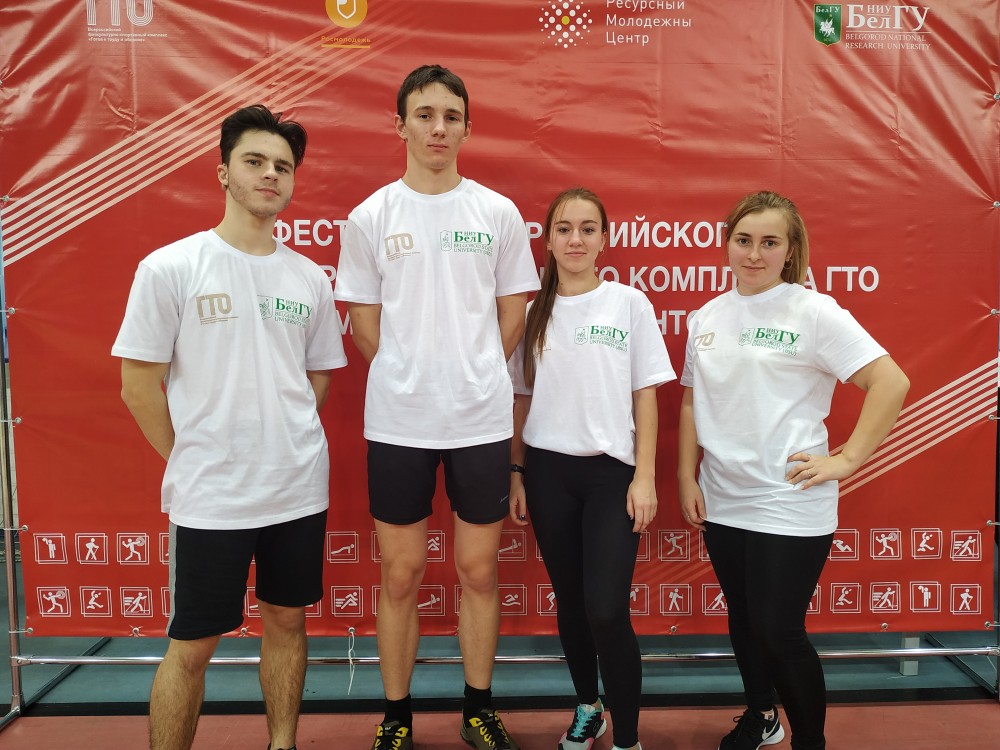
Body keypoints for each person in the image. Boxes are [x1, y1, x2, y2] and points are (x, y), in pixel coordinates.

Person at [112, 104, 347, 750]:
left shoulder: (308, 278)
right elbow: (138, 386)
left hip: (296, 489)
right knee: (191, 644)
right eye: (255, 161)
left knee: (287, 623)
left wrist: (282, 435)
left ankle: (282, 744)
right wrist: (193, 454)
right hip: (211, 496)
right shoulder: (172, 268)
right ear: (223, 172)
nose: (270, 174)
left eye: (282, 166)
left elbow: (319, 377)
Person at [333, 64, 541, 750]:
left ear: (467, 128)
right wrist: (411, 376)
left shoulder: (496, 213)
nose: (438, 128)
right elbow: (365, 328)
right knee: (401, 575)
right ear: (401, 125)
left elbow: (513, 313)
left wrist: (473, 373)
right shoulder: (371, 217)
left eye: (451, 116)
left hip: (480, 422)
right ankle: (396, 716)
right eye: (424, 115)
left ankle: (478, 708)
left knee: (478, 571)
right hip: (399, 423)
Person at [677, 190, 909, 750]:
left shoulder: (814, 311)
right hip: (723, 495)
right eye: (743, 240)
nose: (753, 254)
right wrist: (686, 476)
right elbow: (690, 400)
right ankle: (762, 715)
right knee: (743, 618)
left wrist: (847, 459)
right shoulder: (707, 316)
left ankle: (810, 741)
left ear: (790, 249)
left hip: (788, 499)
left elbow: (891, 381)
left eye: (769, 242)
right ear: (727, 243)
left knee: (778, 630)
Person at [508, 187, 676, 750]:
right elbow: (521, 397)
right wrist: (516, 470)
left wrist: (644, 475)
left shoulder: (628, 304)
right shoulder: (531, 313)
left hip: (611, 476)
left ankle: (627, 738)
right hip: (548, 474)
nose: (575, 239)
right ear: (548, 240)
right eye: (564, 229)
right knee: (573, 603)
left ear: (605, 239)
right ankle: (589, 707)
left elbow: (646, 394)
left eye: (587, 229)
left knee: (606, 609)